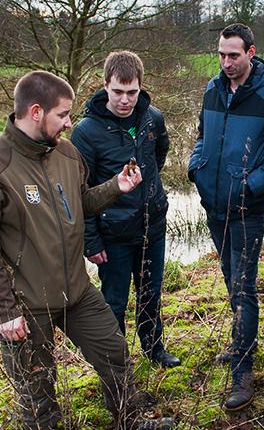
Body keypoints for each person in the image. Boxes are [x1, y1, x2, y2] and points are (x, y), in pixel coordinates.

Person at [0, 71, 172, 429]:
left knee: (114, 351)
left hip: (76, 290)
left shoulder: (67, 152)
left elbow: (80, 203)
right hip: (28, 303)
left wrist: (115, 187)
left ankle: (129, 419)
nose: (69, 122)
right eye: (63, 115)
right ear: (35, 111)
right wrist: (5, 310)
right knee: (37, 389)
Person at [188, 23, 264, 410]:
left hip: (247, 209)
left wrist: (253, 184)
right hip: (214, 205)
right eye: (221, 54)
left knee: (243, 284)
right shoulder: (212, 87)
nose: (226, 62)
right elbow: (202, 134)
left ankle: (243, 368)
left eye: (233, 55)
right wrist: (196, 166)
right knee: (228, 276)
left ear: (251, 53)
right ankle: (241, 342)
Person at [71, 51, 180, 368]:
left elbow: (158, 158)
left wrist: (151, 195)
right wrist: (91, 241)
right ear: (105, 85)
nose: (125, 100)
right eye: (118, 91)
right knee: (114, 302)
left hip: (151, 227)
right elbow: (82, 192)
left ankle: (154, 348)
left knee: (151, 292)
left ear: (140, 88)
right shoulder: (86, 132)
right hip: (113, 235)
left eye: (132, 92)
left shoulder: (152, 119)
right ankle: (118, 361)